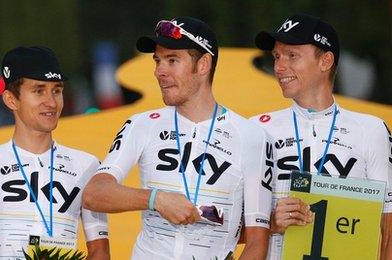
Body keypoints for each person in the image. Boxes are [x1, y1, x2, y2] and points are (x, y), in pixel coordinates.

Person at [82, 16, 273, 259]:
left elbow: (257, 242)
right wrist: (156, 199)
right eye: (158, 60)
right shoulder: (141, 124)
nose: (159, 71)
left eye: (172, 60)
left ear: (203, 64)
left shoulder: (251, 135)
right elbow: (94, 194)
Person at [251, 13, 392, 259]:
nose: (279, 67)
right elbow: (226, 225)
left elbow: (388, 227)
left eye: (292, 56)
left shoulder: (372, 130)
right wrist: (270, 223)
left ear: (326, 61)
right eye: (276, 57)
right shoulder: (256, 129)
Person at [0, 46, 110, 260]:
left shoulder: (88, 165)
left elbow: (100, 251)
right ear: (11, 100)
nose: (51, 102)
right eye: (39, 90)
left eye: (57, 90)